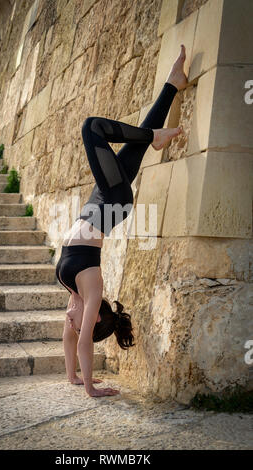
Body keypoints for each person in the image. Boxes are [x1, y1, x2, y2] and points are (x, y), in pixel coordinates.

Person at [55, 45, 188, 397]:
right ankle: (156, 137)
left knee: (138, 140)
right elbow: (84, 345)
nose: (69, 323)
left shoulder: (74, 295)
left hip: (101, 200)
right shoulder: (92, 286)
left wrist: (72, 378)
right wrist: (90, 389)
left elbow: (70, 343)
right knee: (92, 128)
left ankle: (173, 84)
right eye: (79, 323)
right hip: (113, 201)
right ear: (94, 317)